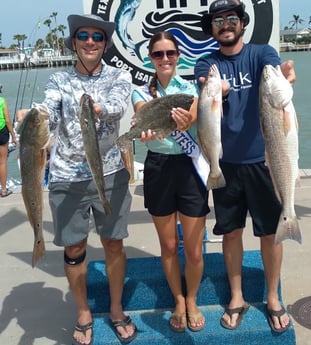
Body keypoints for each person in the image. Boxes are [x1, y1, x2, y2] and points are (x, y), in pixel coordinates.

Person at [19, 14, 137, 345]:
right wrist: (34, 115)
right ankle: (83, 311)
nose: (89, 41)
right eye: (83, 35)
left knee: (114, 242)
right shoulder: (58, 79)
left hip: (110, 173)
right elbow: (51, 111)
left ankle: (115, 308)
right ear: (74, 42)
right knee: (74, 247)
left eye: (97, 37)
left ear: (105, 44)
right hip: (65, 178)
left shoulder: (119, 76)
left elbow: (116, 107)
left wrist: (97, 108)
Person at [195, 0, 296, 333]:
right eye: (218, 20)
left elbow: (276, 72)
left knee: (270, 233)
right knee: (231, 233)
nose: (225, 24)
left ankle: (272, 297)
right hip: (225, 164)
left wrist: (285, 77)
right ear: (212, 28)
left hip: (264, 161)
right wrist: (217, 90)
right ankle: (236, 297)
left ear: (242, 23)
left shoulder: (261, 53)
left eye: (231, 18)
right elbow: (204, 93)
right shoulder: (206, 63)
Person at [131, 31, 209, 332]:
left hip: (189, 167)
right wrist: (147, 128)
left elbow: (191, 119)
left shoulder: (191, 89)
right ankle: (178, 299)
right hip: (158, 168)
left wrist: (185, 120)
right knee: (167, 245)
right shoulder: (141, 92)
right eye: (158, 54)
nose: (165, 59)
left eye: (170, 53)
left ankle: (192, 299)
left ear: (179, 56)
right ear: (149, 58)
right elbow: (143, 116)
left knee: (194, 249)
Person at [0, 87, 16, 197]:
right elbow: (8, 120)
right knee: (2, 162)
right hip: (2, 132)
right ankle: (4, 190)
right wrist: (13, 136)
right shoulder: (2, 101)